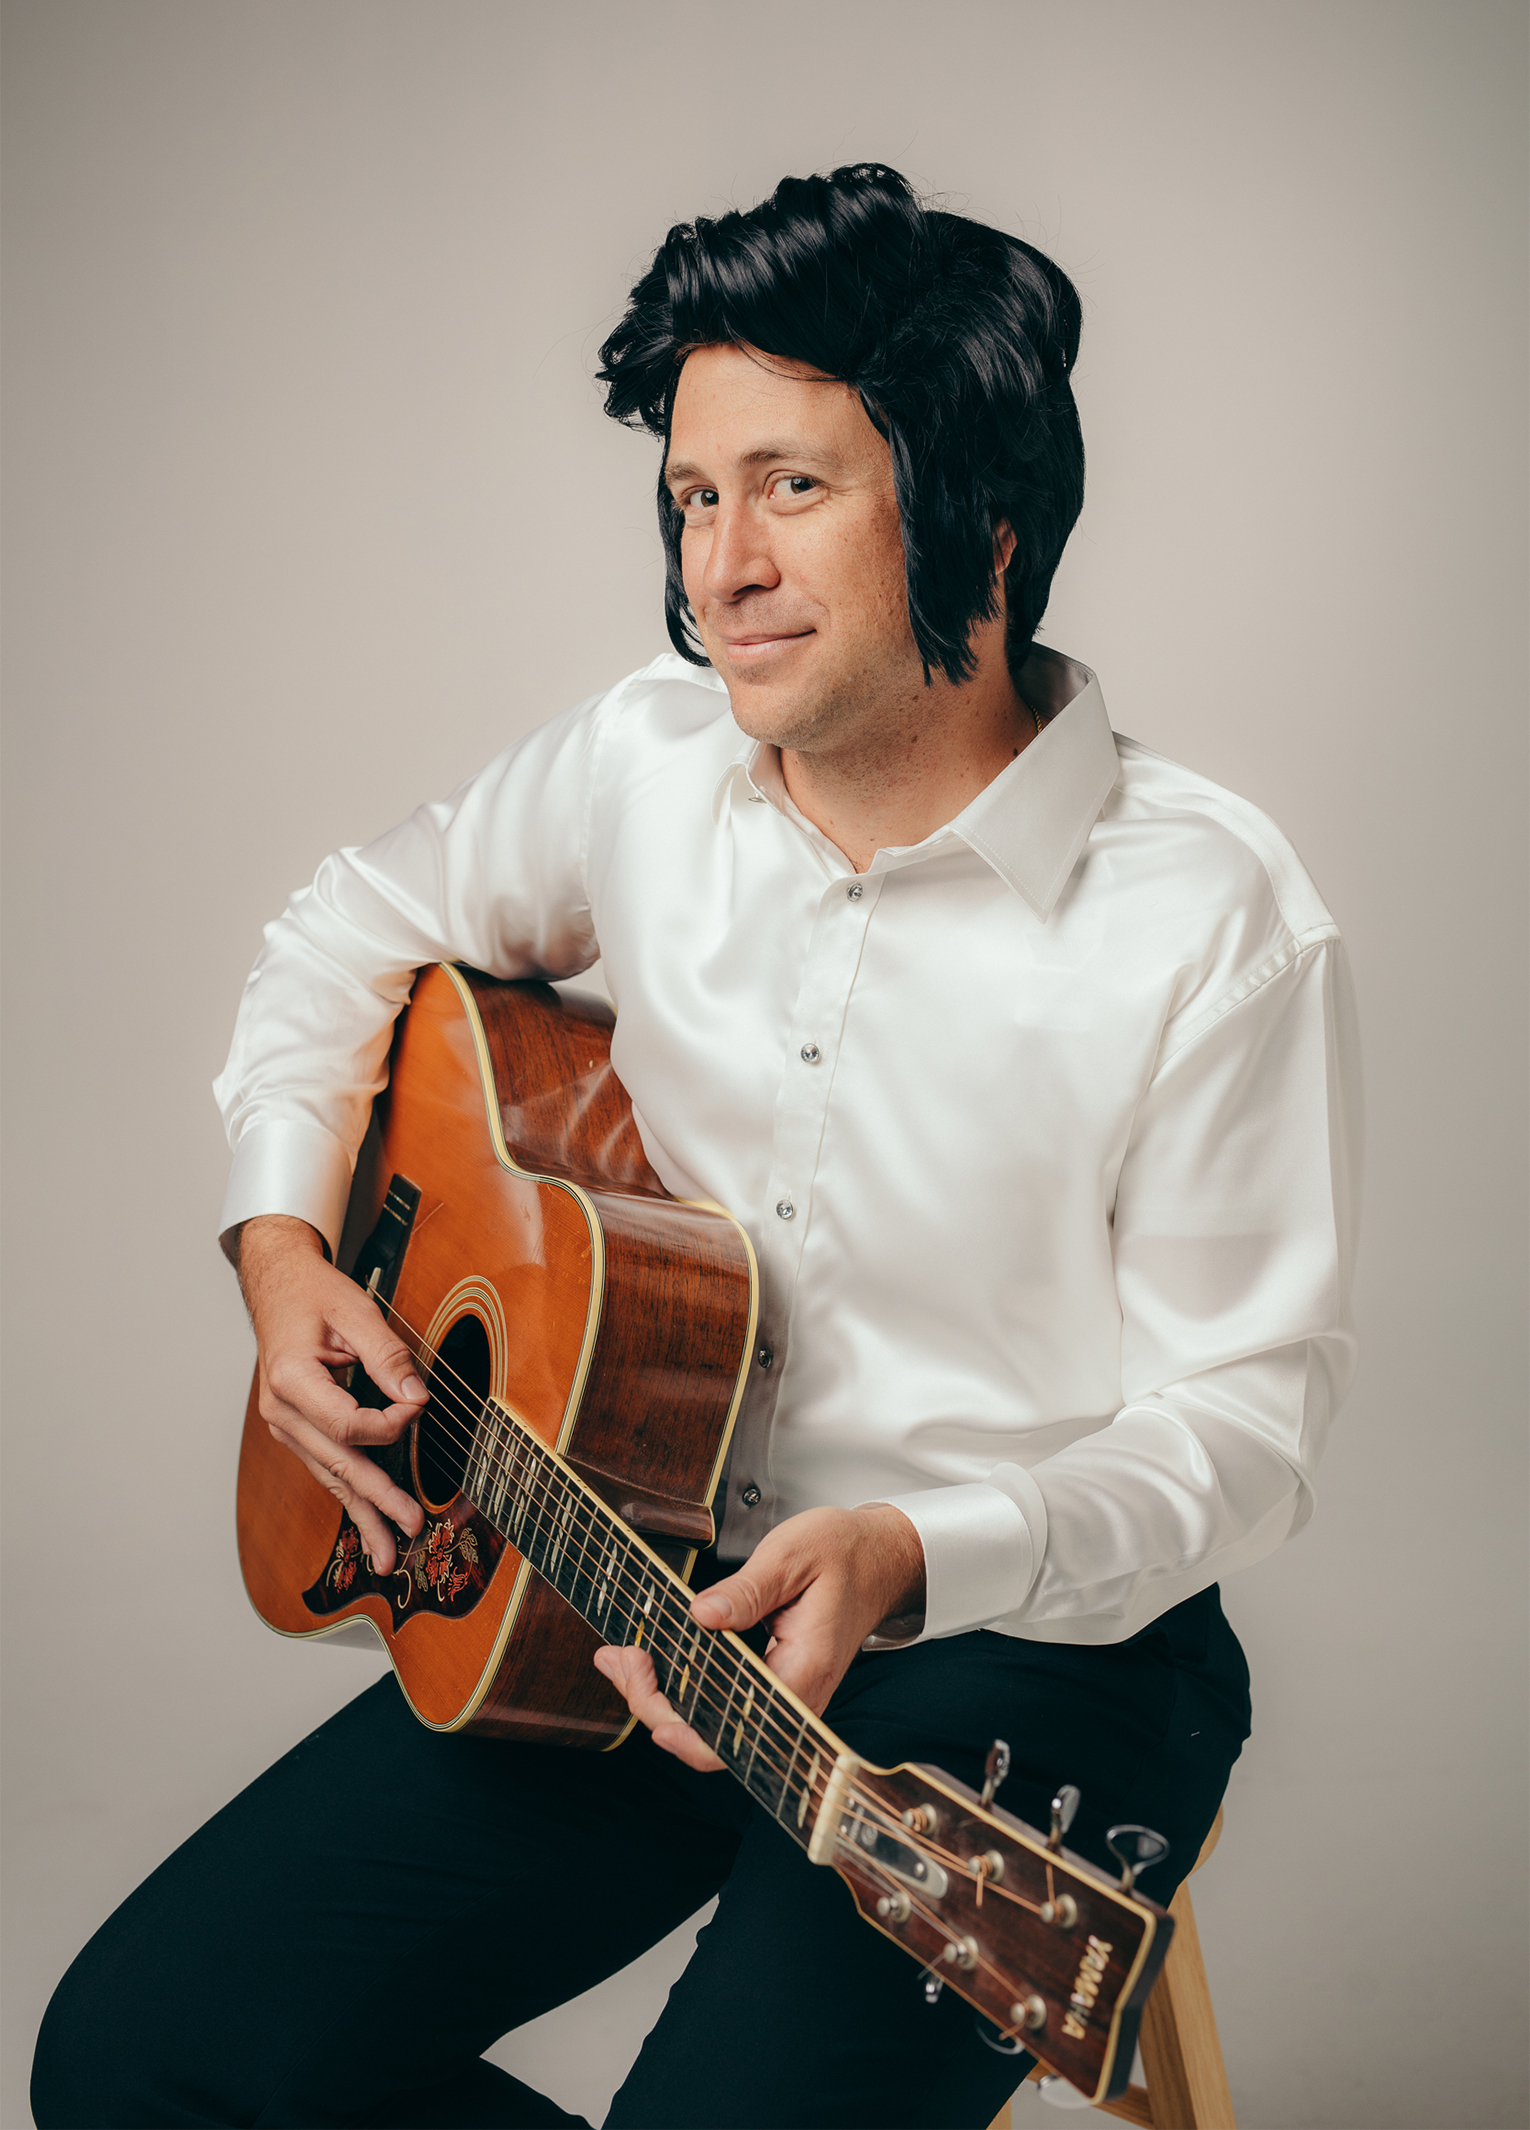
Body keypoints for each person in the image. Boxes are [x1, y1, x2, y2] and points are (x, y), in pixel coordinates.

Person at [31, 164, 1359, 2130]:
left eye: (792, 487)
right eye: (690, 495)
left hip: (1024, 1658)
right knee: (142, 2062)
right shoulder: (642, 768)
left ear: (982, 511)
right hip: (620, 1567)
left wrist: (912, 1550)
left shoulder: (1210, 915)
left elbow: (1244, 1433)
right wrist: (284, 1252)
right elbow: (343, 935)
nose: (720, 561)